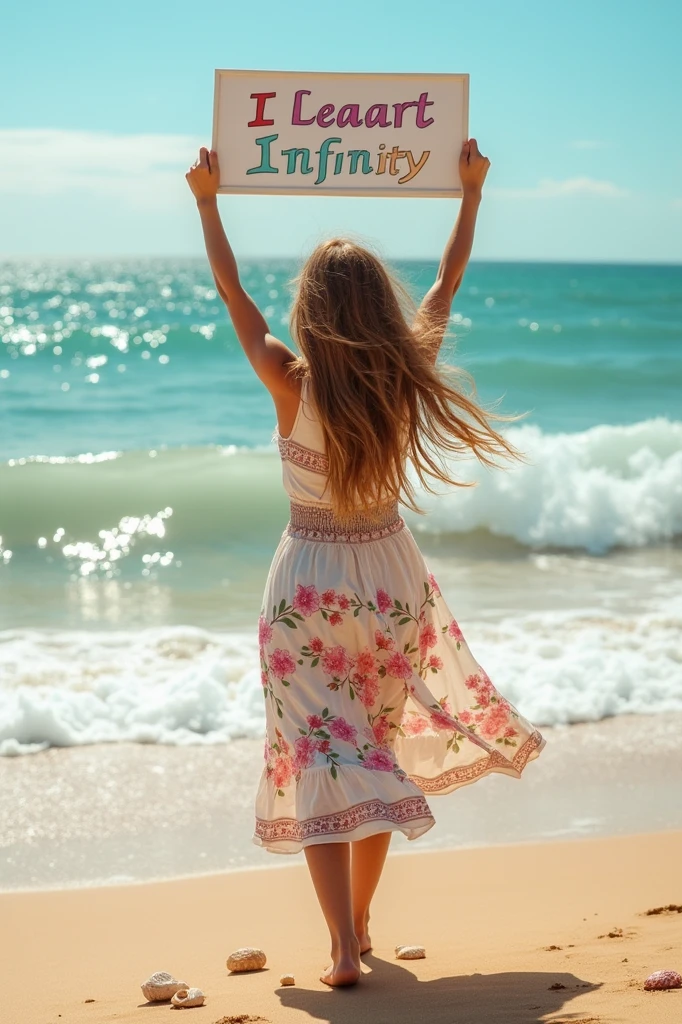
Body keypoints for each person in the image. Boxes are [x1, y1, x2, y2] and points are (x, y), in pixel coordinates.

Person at [186, 139, 544, 988]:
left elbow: (232, 290)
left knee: (319, 753)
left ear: (310, 309)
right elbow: (446, 283)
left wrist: (206, 201)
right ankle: (365, 924)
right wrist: (471, 193)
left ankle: (343, 945)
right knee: (372, 748)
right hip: (387, 575)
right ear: (379, 307)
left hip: (307, 581)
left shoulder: (287, 379)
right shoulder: (401, 377)